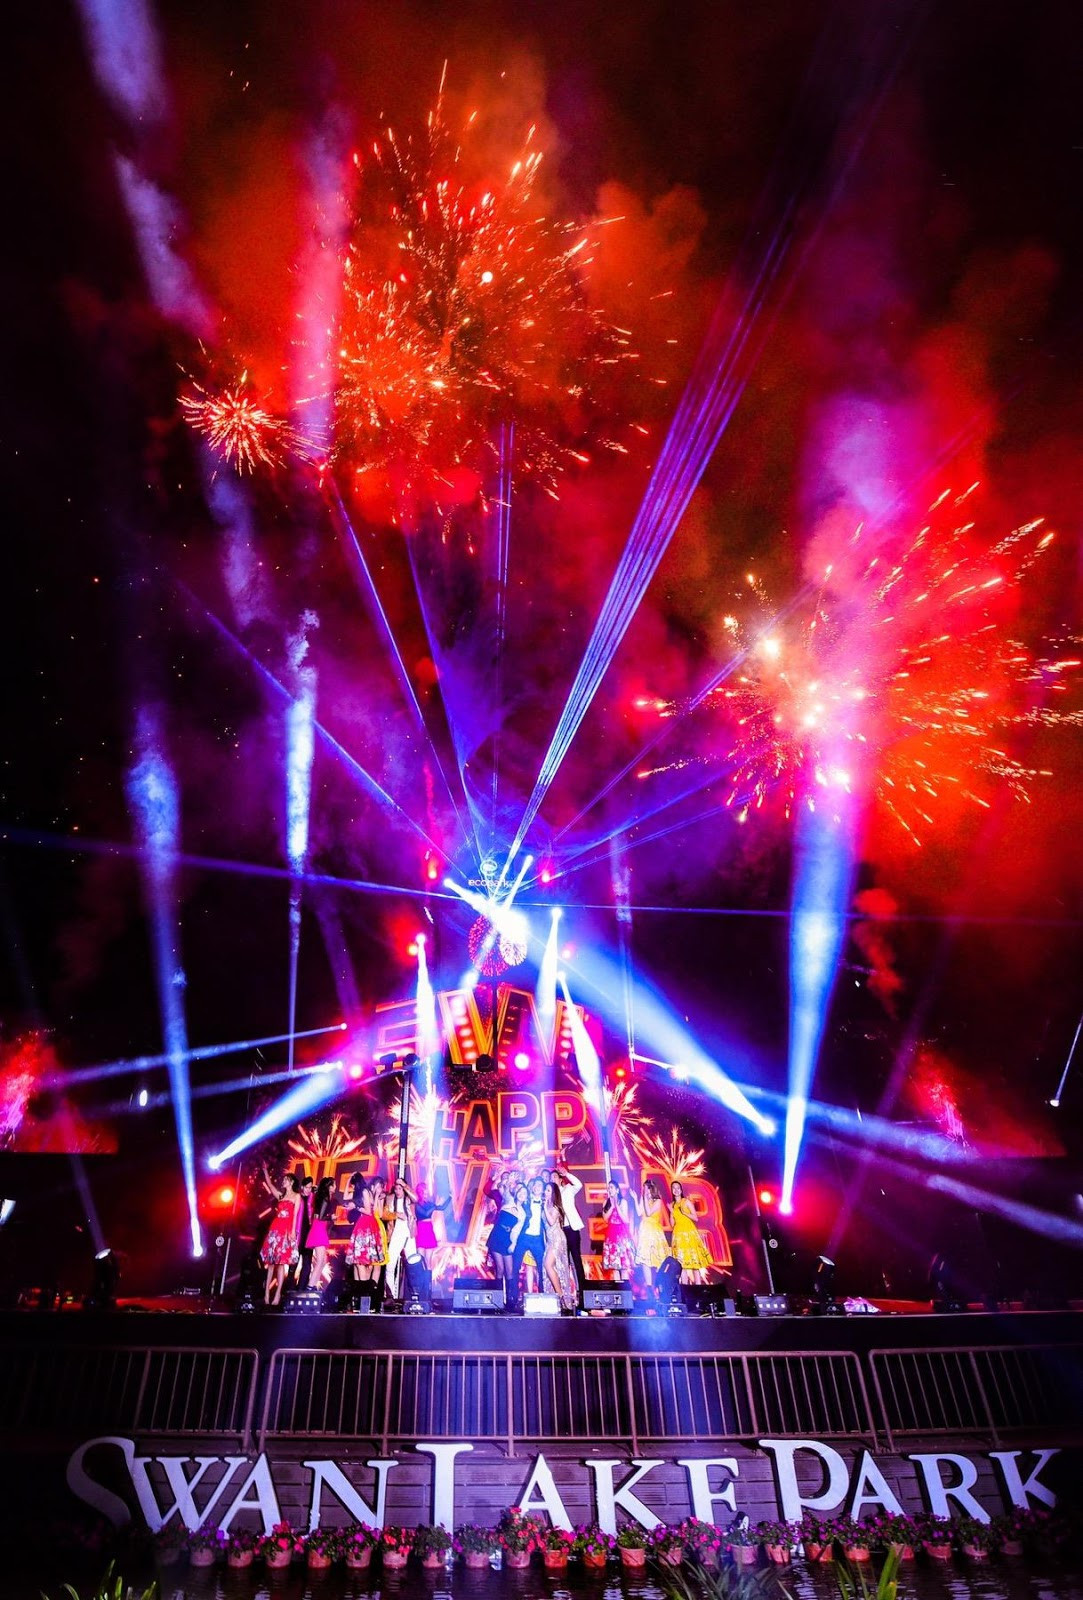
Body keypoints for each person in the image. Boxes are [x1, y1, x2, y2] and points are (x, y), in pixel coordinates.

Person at [259, 1172, 303, 1307]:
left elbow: (295, 1215)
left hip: (286, 1229)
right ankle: (266, 1294)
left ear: (292, 1182)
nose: (283, 1181)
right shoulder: (280, 1196)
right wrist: (265, 1171)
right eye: (283, 1179)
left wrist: (293, 1231)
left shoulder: (296, 1196)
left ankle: (277, 1294)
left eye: (286, 1180)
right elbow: (270, 1184)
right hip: (275, 1228)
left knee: (281, 1263)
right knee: (271, 1263)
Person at [554, 1153, 587, 1304]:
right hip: (560, 1231)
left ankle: (583, 1293)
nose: (553, 1180)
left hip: (572, 1229)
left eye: (555, 1178)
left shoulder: (568, 1189)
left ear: (561, 1179)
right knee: (564, 1263)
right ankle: (567, 1295)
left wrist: (566, 1173)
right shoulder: (551, 1196)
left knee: (576, 1260)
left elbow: (579, 1185)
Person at [485, 1171, 522, 1305]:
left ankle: (511, 1300)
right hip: (497, 1236)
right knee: (500, 1268)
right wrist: (506, 1179)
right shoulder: (506, 1199)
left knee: (510, 1270)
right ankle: (498, 1299)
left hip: (508, 1239)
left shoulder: (522, 1209)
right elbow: (500, 1188)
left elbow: (518, 1228)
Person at [509, 1178, 545, 1309]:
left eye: (539, 1185)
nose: (536, 1187)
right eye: (535, 1185)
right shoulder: (526, 1201)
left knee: (541, 1269)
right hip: (523, 1237)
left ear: (543, 1188)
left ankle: (543, 1296)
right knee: (515, 1266)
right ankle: (513, 1297)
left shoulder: (546, 1203)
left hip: (537, 1239)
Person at [345, 1182, 384, 1301]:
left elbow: (377, 1213)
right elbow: (346, 1198)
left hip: (372, 1227)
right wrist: (349, 1180)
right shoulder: (364, 1192)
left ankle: (365, 1294)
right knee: (359, 1262)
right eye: (379, 1186)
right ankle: (360, 1295)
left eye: (381, 1186)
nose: (380, 1188)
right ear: (373, 1185)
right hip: (364, 1226)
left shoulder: (373, 1194)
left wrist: (377, 1197)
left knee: (369, 1263)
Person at [543, 1182, 578, 1312]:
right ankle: (557, 1298)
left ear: (553, 1193)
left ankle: (561, 1296)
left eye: (548, 1190)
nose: (545, 1192)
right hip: (550, 1240)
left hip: (557, 1238)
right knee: (551, 1267)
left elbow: (552, 1222)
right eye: (545, 1190)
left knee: (548, 1265)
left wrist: (545, 1207)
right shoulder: (547, 1206)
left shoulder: (555, 1207)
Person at [669, 1181, 711, 1285]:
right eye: (674, 1188)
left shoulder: (686, 1201)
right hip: (678, 1235)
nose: (676, 1190)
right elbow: (672, 1224)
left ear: (681, 1190)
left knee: (694, 1262)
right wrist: (671, 1212)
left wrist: (684, 1213)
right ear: (672, 1191)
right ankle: (685, 1288)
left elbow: (695, 1218)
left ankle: (698, 1288)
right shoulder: (672, 1205)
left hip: (689, 1233)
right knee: (682, 1264)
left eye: (678, 1188)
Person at [634, 1178, 669, 1288]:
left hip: (654, 1231)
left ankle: (660, 1285)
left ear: (651, 1189)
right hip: (644, 1231)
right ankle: (649, 1288)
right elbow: (639, 1212)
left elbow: (649, 1213)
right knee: (645, 1260)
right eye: (643, 1188)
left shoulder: (657, 1201)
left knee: (658, 1258)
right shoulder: (643, 1198)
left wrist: (644, 1198)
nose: (644, 1190)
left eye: (646, 1188)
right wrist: (635, 1199)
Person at [305, 1176, 337, 1291]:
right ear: (329, 1187)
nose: (335, 1187)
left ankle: (313, 1285)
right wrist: (331, 1217)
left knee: (322, 1261)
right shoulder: (325, 1198)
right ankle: (310, 1286)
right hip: (318, 1228)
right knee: (320, 1260)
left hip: (320, 1228)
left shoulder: (325, 1197)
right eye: (334, 1185)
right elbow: (321, 1216)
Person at [601, 1180, 636, 1280]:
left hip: (621, 1235)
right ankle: (617, 1287)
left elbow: (626, 1220)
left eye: (611, 1187)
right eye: (608, 1188)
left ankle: (625, 1287)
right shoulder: (606, 1202)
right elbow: (605, 1218)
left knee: (623, 1266)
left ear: (617, 1190)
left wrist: (617, 1206)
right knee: (614, 1267)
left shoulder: (623, 1202)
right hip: (611, 1234)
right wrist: (612, 1207)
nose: (609, 1190)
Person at [414, 1181, 449, 1276]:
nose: (426, 1195)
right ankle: (421, 1281)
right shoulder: (417, 1205)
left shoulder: (430, 1204)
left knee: (428, 1260)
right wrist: (433, 1207)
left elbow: (442, 1207)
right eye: (424, 1193)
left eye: (427, 1193)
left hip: (428, 1230)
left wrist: (450, 1197)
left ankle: (428, 1282)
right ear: (420, 1193)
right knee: (420, 1259)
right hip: (421, 1230)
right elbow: (425, 1213)